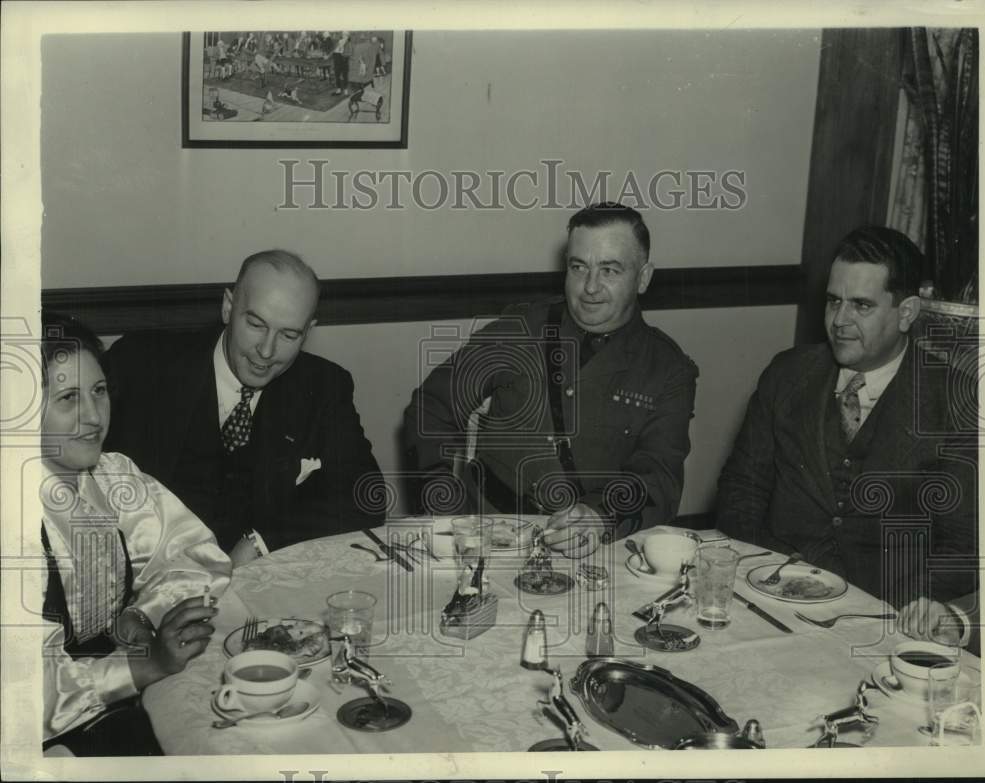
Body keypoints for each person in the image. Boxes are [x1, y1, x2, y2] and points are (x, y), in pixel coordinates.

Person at [716, 226, 977, 643]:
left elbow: (964, 545)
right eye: (834, 301)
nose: (840, 321)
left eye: (861, 306)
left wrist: (906, 607)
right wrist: (767, 571)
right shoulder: (787, 374)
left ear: (906, 312)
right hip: (770, 605)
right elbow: (740, 490)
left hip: (886, 623)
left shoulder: (956, 403)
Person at [404, 203, 698, 557]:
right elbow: (432, 407)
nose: (590, 287)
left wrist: (601, 517)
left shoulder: (666, 368)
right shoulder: (519, 330)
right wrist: (442, 500)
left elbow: (659, 475)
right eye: (579, 267)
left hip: (591, 547)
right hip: (485, 533)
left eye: (610, 270)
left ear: (644, 277)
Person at [104, 250, 384, 566]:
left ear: (308, 331)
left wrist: (260, 542)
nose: (266, 351)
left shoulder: (323, 385)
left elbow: (367, 498)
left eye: (289, 334)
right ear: (228, 307)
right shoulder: (140, 365)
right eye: (255, 324)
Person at [39, 313, 231, 755]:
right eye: (68, 398)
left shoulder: (112, 476)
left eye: (99, 391)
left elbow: (196, 554)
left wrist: (143, 614)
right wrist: (143, 665)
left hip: (116, 700)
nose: (93, 416)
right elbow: (25, 694)